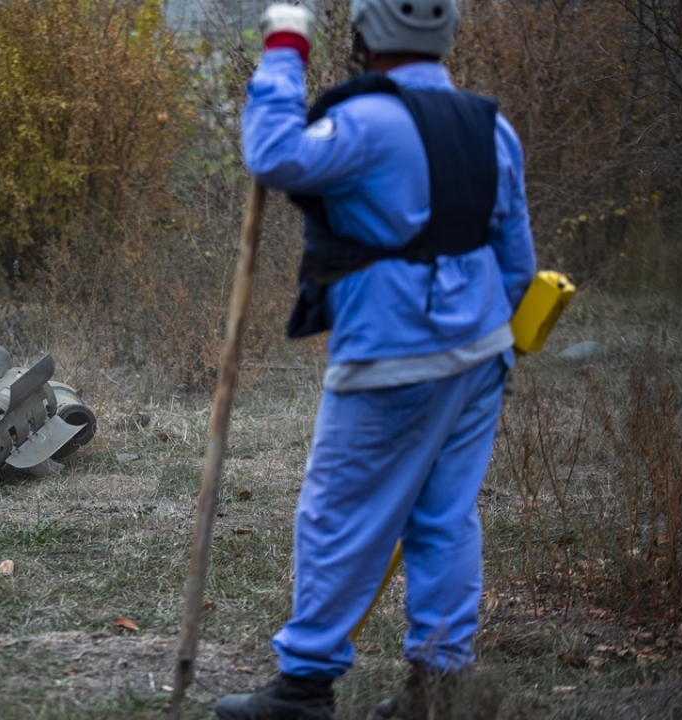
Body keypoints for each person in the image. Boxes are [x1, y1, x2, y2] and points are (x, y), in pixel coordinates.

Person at [215, 0, 536, 718]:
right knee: (445, 518)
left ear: (366, 36)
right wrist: (492, 344)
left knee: (338, 516)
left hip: (394, 357)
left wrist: (285, 50)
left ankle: (303, 687)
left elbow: (271, 155)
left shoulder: (368, 123)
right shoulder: (493, 127)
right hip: (482, 354)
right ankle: (440, 688)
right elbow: (517, 261)